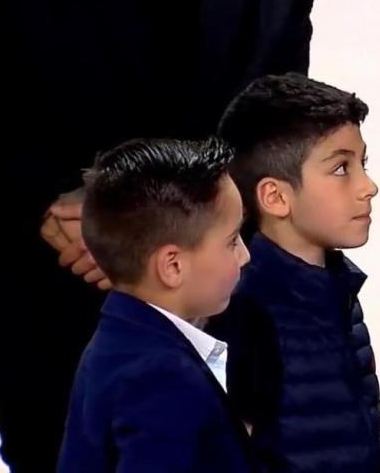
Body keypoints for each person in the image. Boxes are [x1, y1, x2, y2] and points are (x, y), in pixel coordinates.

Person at [0, 0, 316, 469]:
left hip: (216, 316)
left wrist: (126, 230)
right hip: (48, 310)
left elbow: (265, 138)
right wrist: (64, 213)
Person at [208, 73, 380, 473]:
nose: (368, 186)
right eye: (341, 169)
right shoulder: (240, 309)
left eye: (363, 164)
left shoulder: (339, 291)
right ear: (275, 197)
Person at [56, 137, 254, 473]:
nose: (245, 255)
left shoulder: (121, 337)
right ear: (172, 266)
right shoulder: (162, 376)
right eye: (232, 241)